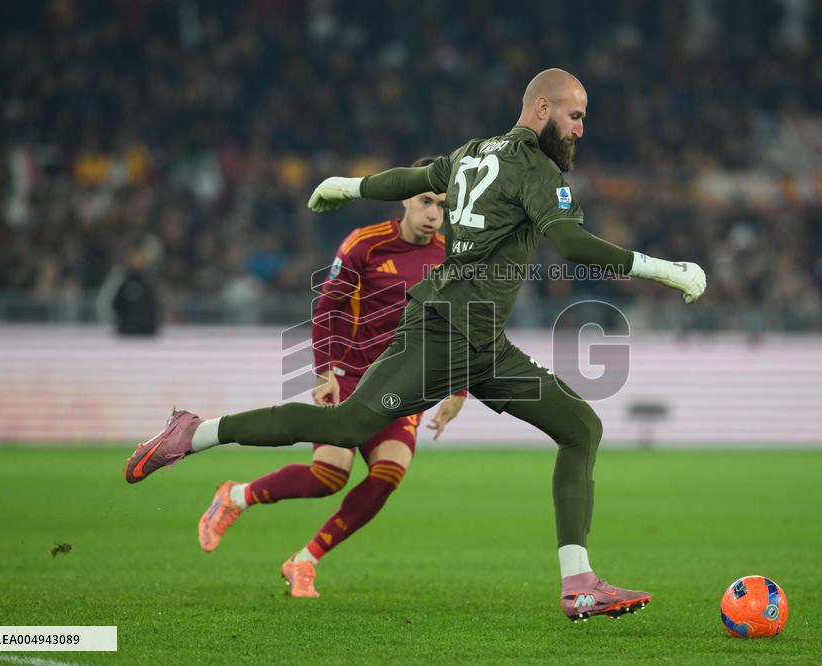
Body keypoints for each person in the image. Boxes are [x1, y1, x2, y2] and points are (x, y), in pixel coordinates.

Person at [124, 68, 706, 622]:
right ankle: (193, 433)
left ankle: (579, 585)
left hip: (482, 343)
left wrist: (348, 186)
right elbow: (571, 243)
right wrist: (663, 268)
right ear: (543, 107)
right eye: (576, 116)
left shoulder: (474, 151)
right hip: (444, 329)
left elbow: (413, 178)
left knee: (581, 428)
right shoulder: (535, 170)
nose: (581, 130)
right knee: (348, 427)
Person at [196, 158, 467, 598]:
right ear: (405, 199)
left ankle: (304, 561)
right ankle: (235, 496)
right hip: (351, 378)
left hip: (402, 389)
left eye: (441, 203)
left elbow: (454, 325)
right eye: (425, 200)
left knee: (388, 473)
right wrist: (326, 372)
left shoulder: (449, 257)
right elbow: (327, 310)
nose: (434, 212)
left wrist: (458, 390)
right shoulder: (365, 244)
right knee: (328, 476)